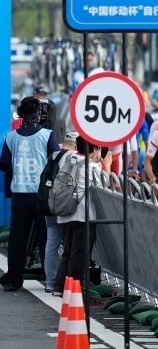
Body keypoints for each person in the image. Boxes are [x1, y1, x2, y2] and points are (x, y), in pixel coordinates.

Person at [0, 97, 59, 292]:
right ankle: (50, 280)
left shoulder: (11, 138)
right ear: (39, 113)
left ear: (20, 114)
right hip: (43, 196)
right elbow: (56, 161)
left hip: (19, 196)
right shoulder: (48, 135)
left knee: (18, 240)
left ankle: (13, 280)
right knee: (46, 240)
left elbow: (3, 164)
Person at [50, 136, 103, 297]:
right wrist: (105, 166)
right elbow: (103, 188)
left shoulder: (67, 159)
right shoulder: (92, 167)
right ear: (95, 149)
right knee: (79, 253)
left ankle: (59, 285)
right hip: (82, 215)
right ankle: (73, 288)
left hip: (65, 212)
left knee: (67, 251)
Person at [41, 132, 77, 292]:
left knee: (51, 243)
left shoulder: (52, 156)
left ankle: (50, 282)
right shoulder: (72, 157)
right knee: (68, 246)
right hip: (64, 206)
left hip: (49, 203)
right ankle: (62, 282)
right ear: (75, 144)